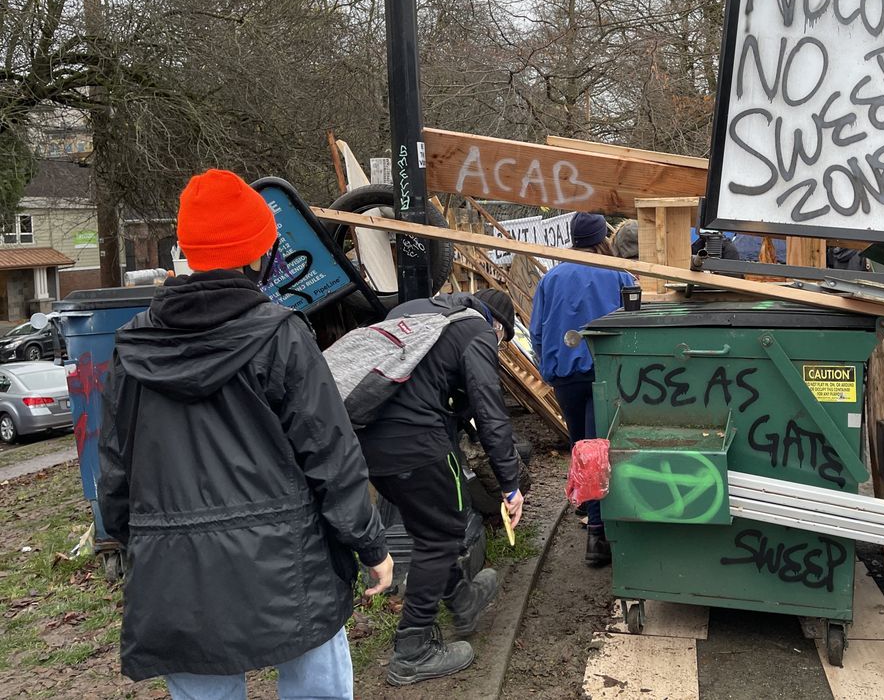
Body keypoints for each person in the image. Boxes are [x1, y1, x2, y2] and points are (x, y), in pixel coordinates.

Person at [98, 169, 392, 699]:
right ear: (260, 252)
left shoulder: (131, 347)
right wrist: (369, 544)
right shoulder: (281, 334)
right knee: (317, 685)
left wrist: (128, 538)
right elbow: (330, 454)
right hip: (288, 565)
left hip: (175, 571)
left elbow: (117, 463)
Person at [355, 287, 525, 686]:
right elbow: (489, 409)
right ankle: (412, 650)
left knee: (429, 527)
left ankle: (462, 599)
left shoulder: (410, 311)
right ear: (497, 326)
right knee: (442, 537)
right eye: (502, 341)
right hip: (418, 444)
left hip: (368, 443)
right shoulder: (476, 330)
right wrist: (510, 484)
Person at [530, 212, 637, 567]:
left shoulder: (552, 278)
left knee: (582, 447)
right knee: (601, 448)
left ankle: (590, 512)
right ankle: (598, 531)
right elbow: (634, 324)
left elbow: (538, 332)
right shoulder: (619, 274)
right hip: (605, 374)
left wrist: (548, 368)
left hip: (565, 376)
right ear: (599, 238)